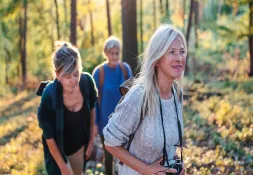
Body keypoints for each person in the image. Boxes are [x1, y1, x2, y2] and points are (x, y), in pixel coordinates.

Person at [103, 24, 187, 175]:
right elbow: (110, 142)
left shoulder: (177, 94)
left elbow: (168, 142)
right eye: (172, 52)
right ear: (157, 58)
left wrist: (176, 163)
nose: (179, 58)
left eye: (182, 51)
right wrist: (147, 170)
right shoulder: (139, 96)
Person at [37, 42, 98, 175]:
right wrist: (64, 167)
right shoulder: (49, 95)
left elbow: (93, 108)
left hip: (78, 147)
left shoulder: (87, 82)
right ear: (57, 75)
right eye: (68, 76)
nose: (74, 80)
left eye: (76, 74)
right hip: (57, 151)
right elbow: (49, 137)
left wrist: (91, 138)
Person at [92, 36, 132, 175]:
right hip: (105, 121)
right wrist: (95, 123)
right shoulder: (99, 72)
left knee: (126, 155)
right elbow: (93, 100)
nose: (114, 56)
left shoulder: (125, 69)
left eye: (117, 53)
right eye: (111, 53)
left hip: (125, 120)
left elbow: (133, 95)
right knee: (109, 154)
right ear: (106, 53)